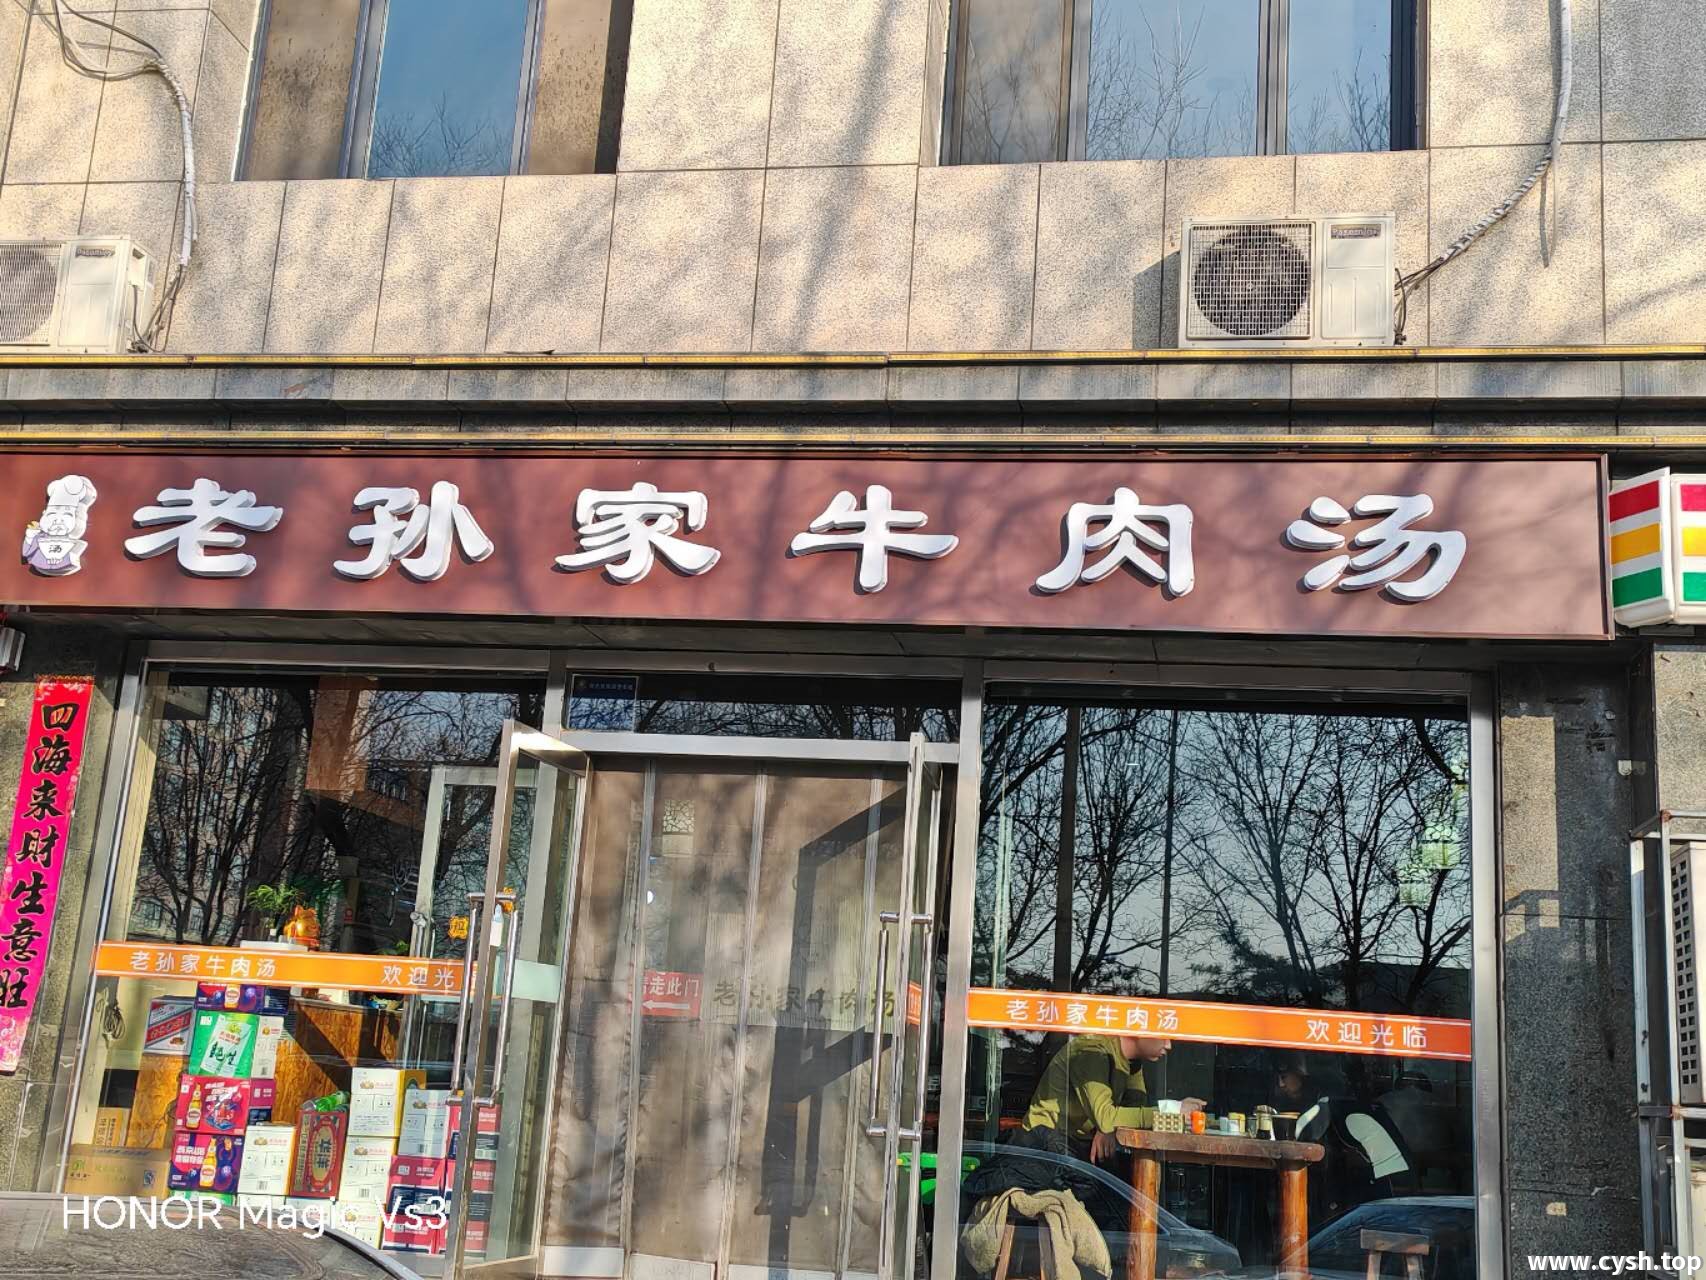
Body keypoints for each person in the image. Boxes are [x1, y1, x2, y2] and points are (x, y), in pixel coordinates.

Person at [1018, 1033, 1200, 1165]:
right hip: (1042, 1146)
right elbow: (1107, 1118)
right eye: (1164, 1036)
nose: (1169, 1045)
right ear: (1139, 1029)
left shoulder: (1132, 1062)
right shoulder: (1091, 1051)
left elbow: (1132, 1108)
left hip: (1077, 1145)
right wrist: (1172, 1110)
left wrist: (1107, 1128)